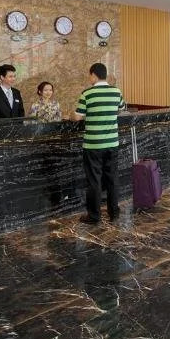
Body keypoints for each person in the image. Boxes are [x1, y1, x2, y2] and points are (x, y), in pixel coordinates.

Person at [72, 62, 125, 224]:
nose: (90, 78)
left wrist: (73, 114)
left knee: (94, 180)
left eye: (90, 75)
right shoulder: (116, 91)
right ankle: (114, 213)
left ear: (93, 75)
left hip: (93, 145)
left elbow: (77, 117)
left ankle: (94, 216)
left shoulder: (87, 93)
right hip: (112, 143)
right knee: (112, 179)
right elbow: (121, 108)